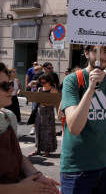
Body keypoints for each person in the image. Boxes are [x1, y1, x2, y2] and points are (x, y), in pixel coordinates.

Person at [60, 45, 106, 193]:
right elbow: (74, 128)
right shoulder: (72, 81)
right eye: (95, 50)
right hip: (76, 170)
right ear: (87, 53)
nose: (101, 56)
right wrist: (91, 89)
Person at [0, 62, 61, 193]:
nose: (11, 89)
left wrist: (37, 176)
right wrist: (19, 188)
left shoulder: (8, 116)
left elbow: (17, 156)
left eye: (10, 84)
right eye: (4, 86)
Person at [28, 73, 58, 157]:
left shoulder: (53, 90)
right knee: (38, 129)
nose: (42, 84)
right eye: (41, 82)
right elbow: (37, 100)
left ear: (49, 82)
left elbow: (57, 102)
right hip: (39, 111)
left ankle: (47, 149)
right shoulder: (40, 89)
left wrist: (47, 104)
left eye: (44, 82)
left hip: (48, 112)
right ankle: (37, 149)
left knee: (48, 130)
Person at [28, 65, 43, 136]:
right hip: (36, 94)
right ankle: (33, 128)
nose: (34, 72)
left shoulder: (44, 76)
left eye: (35, 70)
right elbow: (30, 84)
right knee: (35, 110)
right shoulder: (36, 76)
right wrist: (37, 84)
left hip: (44, 94)